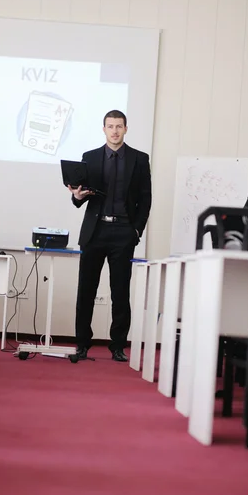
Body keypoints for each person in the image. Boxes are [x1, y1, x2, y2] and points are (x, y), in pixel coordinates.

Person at [68, 110, 152, 363]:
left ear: (126, 129)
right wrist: (77, 196)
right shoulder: (89, 158)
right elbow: (80, 198)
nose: (114, 131)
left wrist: (136, 230)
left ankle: (117, 346)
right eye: (110, 126)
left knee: (120, 291)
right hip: (95, 231)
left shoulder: (139, 159)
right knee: (86, 290)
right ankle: (82, 344)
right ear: (103, 129)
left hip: (123, 232)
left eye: (119, 126)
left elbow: (146, 200)